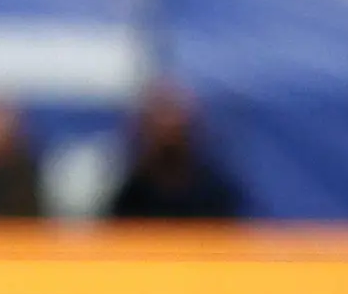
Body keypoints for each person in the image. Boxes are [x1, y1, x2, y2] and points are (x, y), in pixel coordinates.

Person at [106, 82, 247, 221]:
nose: (167, 130)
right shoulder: (130, 194)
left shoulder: (217, 192)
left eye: (174, 120)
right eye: (159, 118)